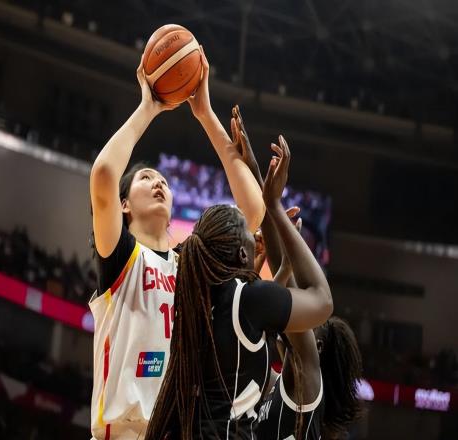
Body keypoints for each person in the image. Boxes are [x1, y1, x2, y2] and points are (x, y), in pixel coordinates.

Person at [88, 48, 265, 439]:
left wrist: (205, 114)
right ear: (123, 205)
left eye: (164, 181)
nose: (159, 183)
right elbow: (103, 175)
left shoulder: (189, 264)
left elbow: (253, 213)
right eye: (146, 178)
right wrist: (149, 107)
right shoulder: (121, 257)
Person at [145, 134, 333, 440]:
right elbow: (322, 300)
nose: (256, 236)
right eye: (250, 232)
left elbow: (250, 317)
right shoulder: (247, 302)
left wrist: (282, 266)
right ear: (243, 255)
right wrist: (273, 206)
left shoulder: (196, 302)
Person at [231, 105, 363, 439]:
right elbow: (278, 288)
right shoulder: (278, 384)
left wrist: (272, 203)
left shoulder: (305, 383)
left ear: (315, 346)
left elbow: (293, 288)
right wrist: (254, 175)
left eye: (309, 321)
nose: (299, 311)